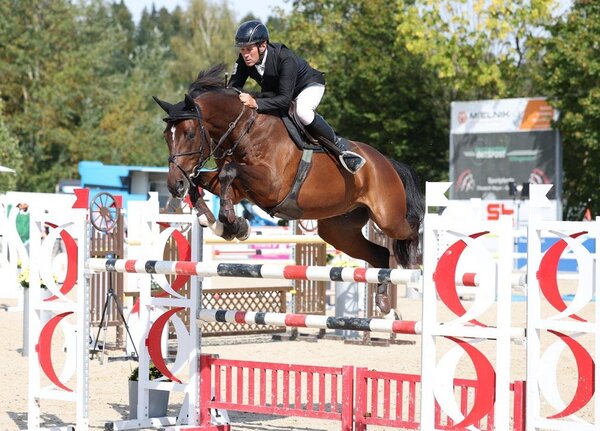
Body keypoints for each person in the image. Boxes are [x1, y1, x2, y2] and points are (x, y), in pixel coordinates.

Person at [228, 20, 366, 174]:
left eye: (249, 49)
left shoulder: (284, 58)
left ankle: (340, 147)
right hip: (281, 92)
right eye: (242, 49)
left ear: (263, 45)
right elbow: (233, 89)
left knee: (302, 111)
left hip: (308, 85)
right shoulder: (244, 61)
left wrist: (255, 102)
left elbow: (285, 101)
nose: (245, 54)